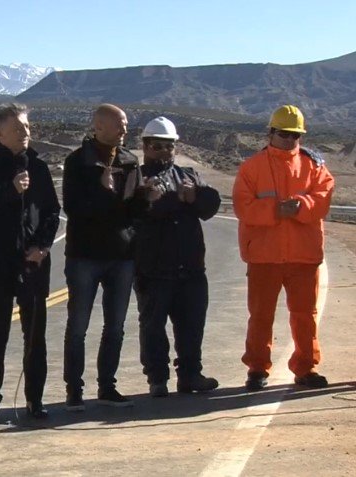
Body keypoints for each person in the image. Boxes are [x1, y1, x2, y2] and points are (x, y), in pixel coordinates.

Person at [0, 103, 60, 423]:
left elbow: (50, 212)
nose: (25, 134)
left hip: (32, 264)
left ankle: (35, 399)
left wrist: (43, 246)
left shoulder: (39, 167)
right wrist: (10, 189)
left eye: (28, 128)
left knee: (35, 337)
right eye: (18, 129)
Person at [233, 105, 334, 392]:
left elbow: (324, 195)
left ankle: (305, 368)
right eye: (284, 134)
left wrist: (302, 206)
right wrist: (276, 210)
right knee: (261, 315)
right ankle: (256, 368)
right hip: (264, 256)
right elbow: (244, 206)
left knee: (305, 315)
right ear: (270, 133)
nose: (289, 140)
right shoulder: (252, 167)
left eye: (295, 135)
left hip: (303, 256)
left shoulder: (314, 165)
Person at [133, 117, 220, 398]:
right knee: (153, 327)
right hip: (154, 270)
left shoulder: (189, 175)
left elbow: (210, 205)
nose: (163, 151)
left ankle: (190, 375)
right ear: (145, 147)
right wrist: (178, 200)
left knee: (192, 326)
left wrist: (194, 197)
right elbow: (143, 211)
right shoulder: (136, 178)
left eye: (168, 146)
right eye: (157, 146)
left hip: (191, 268)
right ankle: (157, 378)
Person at [61, 103, 139, 410]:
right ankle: (74, 390)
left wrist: (144, 199)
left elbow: (131, 211)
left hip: (121, 255)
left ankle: (107, 386)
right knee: (78, 326)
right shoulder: (78, 162)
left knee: (115, 326)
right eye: (119, 124)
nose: (124, 130)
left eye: (126, 125)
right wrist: (104, 190)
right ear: (99, 127)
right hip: (85, 256)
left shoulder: (130, 161)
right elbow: (75, 209)